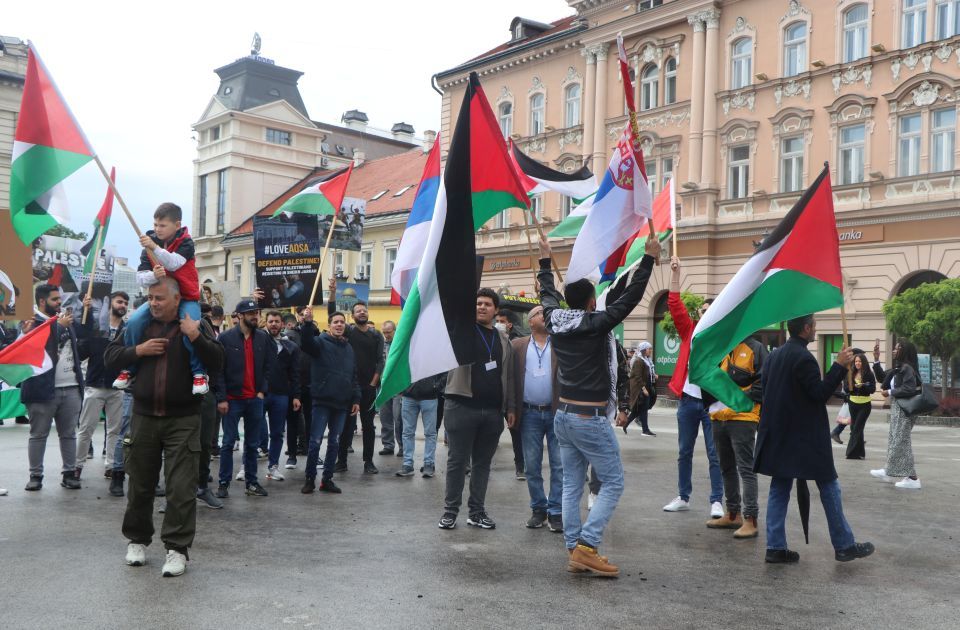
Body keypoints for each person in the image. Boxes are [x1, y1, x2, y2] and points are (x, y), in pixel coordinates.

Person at [538, 235, 660, 577]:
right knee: (614, 482)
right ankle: (588, 546)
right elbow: (630, 299)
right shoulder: (595, 323)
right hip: (588, 417)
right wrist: (648, 260)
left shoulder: (553, 320)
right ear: (592, 301)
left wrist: (545, 262)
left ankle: (574, 548)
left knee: (572, 484)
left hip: (563, 414)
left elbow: (547, 295)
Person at [105, 277, 223, 577]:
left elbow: (220, 361)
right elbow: (109, 357)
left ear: (176, 299)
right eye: (150, 298)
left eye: (159, 298)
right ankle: (136, 541)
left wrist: (196, 337)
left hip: (183, 419)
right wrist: (138, 351)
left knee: (180, 487)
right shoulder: (138, 325)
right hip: (144, 416)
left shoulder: (196, 322)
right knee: (141, 485)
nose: (153, 303)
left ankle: (177, 549)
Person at [754, 314, 874, 564]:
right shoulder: (804, 358)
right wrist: (839, 366)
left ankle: (775, 547)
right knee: (829, 485)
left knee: (779, 487)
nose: (815, 331)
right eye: (814, 327)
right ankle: (844, 545)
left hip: (777, 433)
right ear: (806, 329)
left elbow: (764, 389)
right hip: (804, 437)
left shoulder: (775, 355)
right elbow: (819, 394)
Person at [438, 288, 516, 531]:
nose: (482, 307)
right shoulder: (460, 330)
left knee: (483, 464)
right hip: (461, 406)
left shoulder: (503, 340)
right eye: (478, 303)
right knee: (457, 463)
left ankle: (477, 512)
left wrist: (510, 407)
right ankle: (450, 512)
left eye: (487, 304)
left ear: (495, 310)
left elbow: (510, 377)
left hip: (492, 412)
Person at [113, 203, 209, 395]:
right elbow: (140, 278)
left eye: (162, 225)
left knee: (192, 327)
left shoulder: (186, 242)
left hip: (185, 297)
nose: (157, 229)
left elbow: (173, 264)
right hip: (159, 299)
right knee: (133, 322)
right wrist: (154, 276)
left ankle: (199, 373)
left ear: (177, 224)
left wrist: (154, 248)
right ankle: (129, 369)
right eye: (156, 225)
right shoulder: (149, 244)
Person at [662, 257, 724, 519]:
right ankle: (683, 496)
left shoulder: (722, 339)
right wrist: (676, 274)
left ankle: (717, 500)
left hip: (712, 403)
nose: (705, 314)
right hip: (689, 400)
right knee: (684, 451)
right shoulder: (690, 332)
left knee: (715, 453)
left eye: (711, 310)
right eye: (703, 311)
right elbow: (674, 304)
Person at [21, 285, 88, 491]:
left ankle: (69, 473)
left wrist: (88, 310)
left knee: (68, 434)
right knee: (38, 434)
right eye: (55, 299)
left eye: (60, 299)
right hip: (42, 390)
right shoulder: (30, 322)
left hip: (71, 387)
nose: (60, 303)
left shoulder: (65, 320)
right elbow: (35, 351)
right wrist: (58, 327)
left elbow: (86, 336)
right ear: (42, 302)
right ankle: (35, 476)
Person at [706, 336, 767, 540]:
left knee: (745, 469)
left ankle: (750, 519)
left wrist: (734, 398)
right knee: (726, 467)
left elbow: (764, 383)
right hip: (718, 417)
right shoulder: (720, 349)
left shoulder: (755, 348)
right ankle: (733, 514)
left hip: (743, 418)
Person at [214, 299, 276, 498]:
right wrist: (222, 398)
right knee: (228, 443)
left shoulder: (263, 338)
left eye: (256, 312)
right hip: (232, 399)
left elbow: (269, 366)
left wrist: (262, 391)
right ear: (239, 315)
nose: (255, 316)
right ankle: (223, 483)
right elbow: (218, 370)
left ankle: (252, 482)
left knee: (252, 444)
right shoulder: (225, 338)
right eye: (250, 313)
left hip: (254, 399)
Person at [510, 305, 563, 532]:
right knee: (532, 466)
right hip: (529, 412)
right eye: (541, 313)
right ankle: (538, 509)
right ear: (530, 321)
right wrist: (510, 408)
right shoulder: (518, 346)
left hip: (556, 413)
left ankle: (556, 511)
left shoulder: (560, 344)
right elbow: (510, 379)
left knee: (559, 465)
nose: (546, 316)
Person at [298, 309, 360, 494]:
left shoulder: (349, 349)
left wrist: (356, 398)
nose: (339, 324)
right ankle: (310, 479)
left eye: (342, 322)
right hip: (322, 401)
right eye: (336, 322)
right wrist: (307, 324)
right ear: (329, 326)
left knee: (334, 442)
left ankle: (327, 480)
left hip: (341, 403)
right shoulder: (320, 343)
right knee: (315, 441)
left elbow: (354, 375)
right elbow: (306, 343)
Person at [328, 278, 384, 475]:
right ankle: (341, 461)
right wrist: (333, 293)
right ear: (352, 316)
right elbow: (332, 315)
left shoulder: (376, 335)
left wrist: (373, 383)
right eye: (358, 310)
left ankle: (368, 462)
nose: (362, 312)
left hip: (368, 389)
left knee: (369, 427)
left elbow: (380, 361)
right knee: (345, 427)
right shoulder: (348, 332)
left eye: (364, 310)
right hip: (350, 389)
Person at [75, 291, 129, 482]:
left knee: (114, 430)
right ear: (110, 303)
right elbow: (81, 351)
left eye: (125, 303)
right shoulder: (97, 326)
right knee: (85, 429)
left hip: (118, 388)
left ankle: (111, 465)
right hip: (95, 384)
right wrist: (85, 311)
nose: (123, 305)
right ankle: (77, 466)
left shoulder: (128, 329)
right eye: (119, 301)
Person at [871, 340, 923, 489]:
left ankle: (911, 478)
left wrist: (890, 392)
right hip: (898, 407)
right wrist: (876, 359)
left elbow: (909, 388)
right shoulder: (899, 368)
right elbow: (882, 378)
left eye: (896, 348)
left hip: (904, 408)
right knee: (896, 440)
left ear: (903, 351)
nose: (894, 350)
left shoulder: (907, 368)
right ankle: (891, 472)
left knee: (901, 441)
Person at [261, 310, 301, 481]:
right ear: (266, 323)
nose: (274, 324)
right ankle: (246, 466)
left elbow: (295, 374)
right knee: (254, 431)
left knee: (277, 433)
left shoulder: (291, 347)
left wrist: (296, 396)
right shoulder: (259, 343)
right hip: (260, 394)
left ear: (282, 324)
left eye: (277, 321)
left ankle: (273, 467)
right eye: (271, 321)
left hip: (281, 395)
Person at [395, 375, 444, 478]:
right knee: (408, 432)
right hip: (409, 396)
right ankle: (408, 464)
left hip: (428, 397)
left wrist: (436, 387)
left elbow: (446, 371)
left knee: (430, 433)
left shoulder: (434, 357)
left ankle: (428, 464)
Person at [496, 309, 525, 479]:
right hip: (493, 395)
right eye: (497, 320)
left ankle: (520, 466)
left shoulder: (515, 343)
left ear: (509, 325)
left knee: (516, 432)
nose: (498, 323)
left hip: (510, 396)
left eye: (501, 321)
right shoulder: (491, 339)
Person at [831, 353, 876, 460]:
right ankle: (860, 453)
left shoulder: (869, 374)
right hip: (852, 403)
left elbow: (872, 389)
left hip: (865, 404)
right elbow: (846, 389)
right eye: (856, 361)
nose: (857, 363)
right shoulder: (850, 373)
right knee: (854, 427)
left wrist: (864, 385)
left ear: (863, 362)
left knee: (857, 427)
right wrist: (853, 387)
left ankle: (850, 452)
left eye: (859, 361)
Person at [378, 320, 403, 457]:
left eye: (389, 332)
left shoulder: (401, 344)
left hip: (398, 387)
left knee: (398, 418)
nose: (386, 335)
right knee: (385, 417)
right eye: (384, 332)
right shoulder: (380, 345)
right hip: (383, 386)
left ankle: (402, 446)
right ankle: (388, 445)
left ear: (395, 331)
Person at [625, 341, 656, 436]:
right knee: (643, 410)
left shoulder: (646, 360)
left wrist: (654, 376)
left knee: (638, 411)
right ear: (643, 350)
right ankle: (645, 430)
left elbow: (647, 373)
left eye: (651, 349)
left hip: (647, 387)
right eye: (649, 349)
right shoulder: (639, 361)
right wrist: (644, 389)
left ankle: (625, 424)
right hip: (641, 389)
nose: (650, 351)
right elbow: (637, 376)